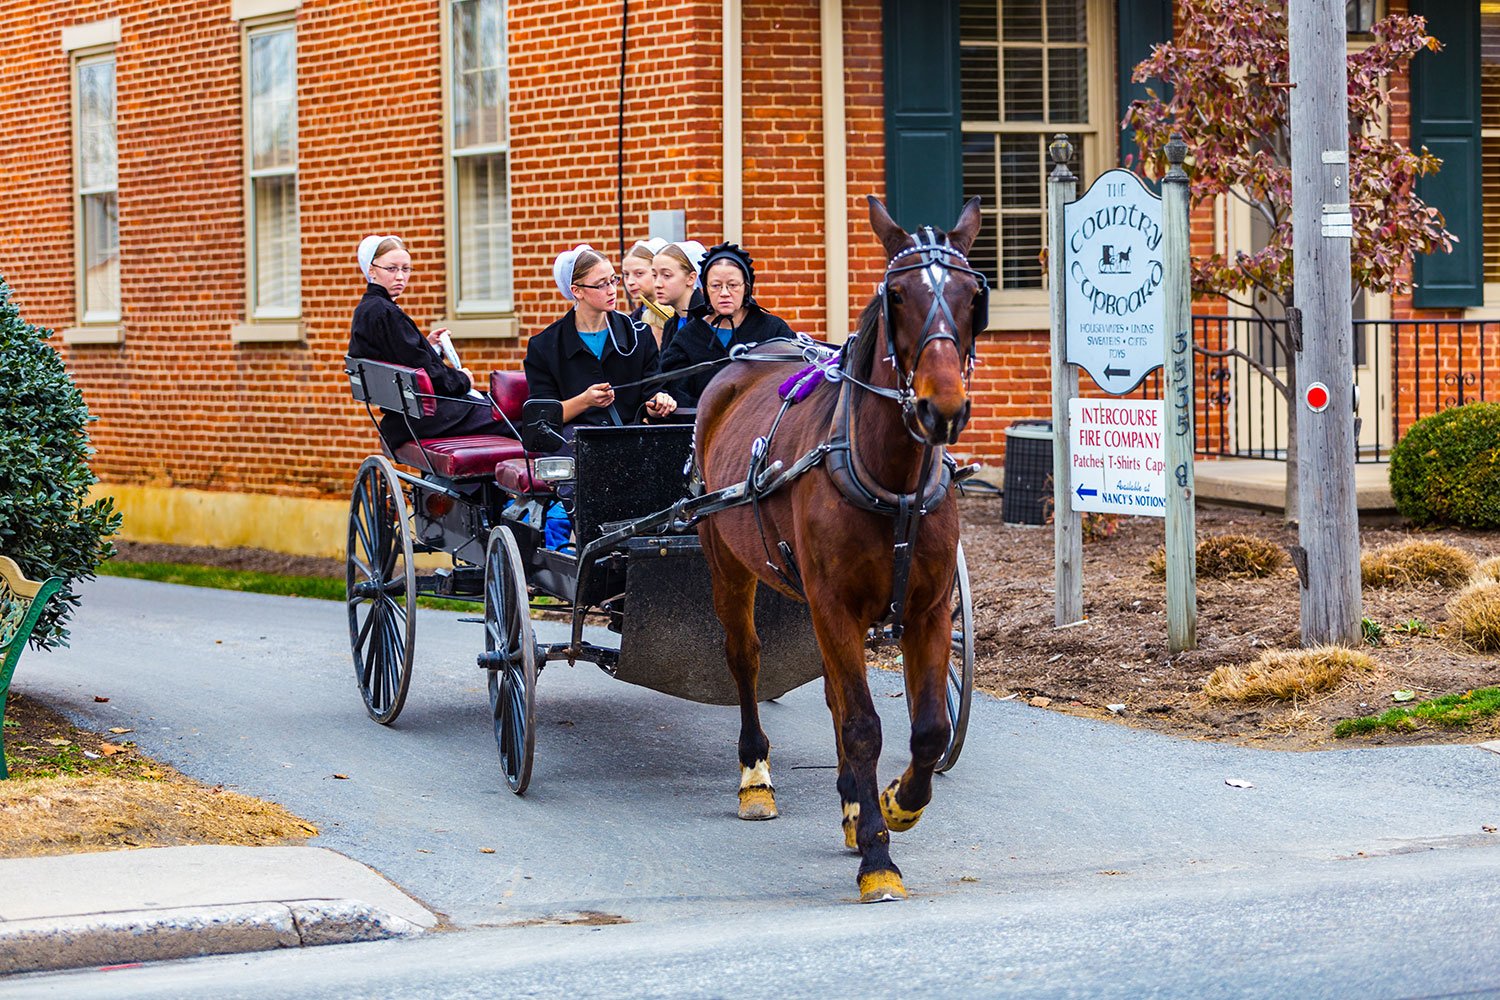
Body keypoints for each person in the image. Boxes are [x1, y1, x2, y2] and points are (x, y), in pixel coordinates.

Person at [347, 234, 515, 447]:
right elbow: (421, 367)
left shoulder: (369, 309)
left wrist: (429, 345)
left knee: (496, 407)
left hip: (405, 414)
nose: (400, 276)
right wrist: (461, 380)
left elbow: (403, 356)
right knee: (509, 417)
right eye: (391, 269)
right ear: (372, 270)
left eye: (405, 269)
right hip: (422, 417)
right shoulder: (385, 313)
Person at [524, 243, 677, 432]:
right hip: (573, 447)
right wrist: (584, 401)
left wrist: (658, 404)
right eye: (602, 284)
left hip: (629, 442)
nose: (612, 290)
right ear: (576, 291)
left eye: (614, 280)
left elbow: (652, 393)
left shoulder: (639, 334)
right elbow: (541, 416)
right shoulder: (544, 346)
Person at [660, 242, 794, 407]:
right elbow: (674, 393)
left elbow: (793, 381)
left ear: (746, 287)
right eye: (716, 286)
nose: (724, 293)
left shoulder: (773, 330)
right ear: (706, 289)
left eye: (732, 285)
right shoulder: (687, 337)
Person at [650, 240, 707, 355]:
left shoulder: (707, 321)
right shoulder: (670, 325)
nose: (657, 283)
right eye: (654, 275)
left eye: (666, 275)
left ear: (691, 278)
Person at [622, 238, 674, 345]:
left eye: (639, 273)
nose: (630, 281)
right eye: (626, 274)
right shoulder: (632, 321)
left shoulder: (678, 314)